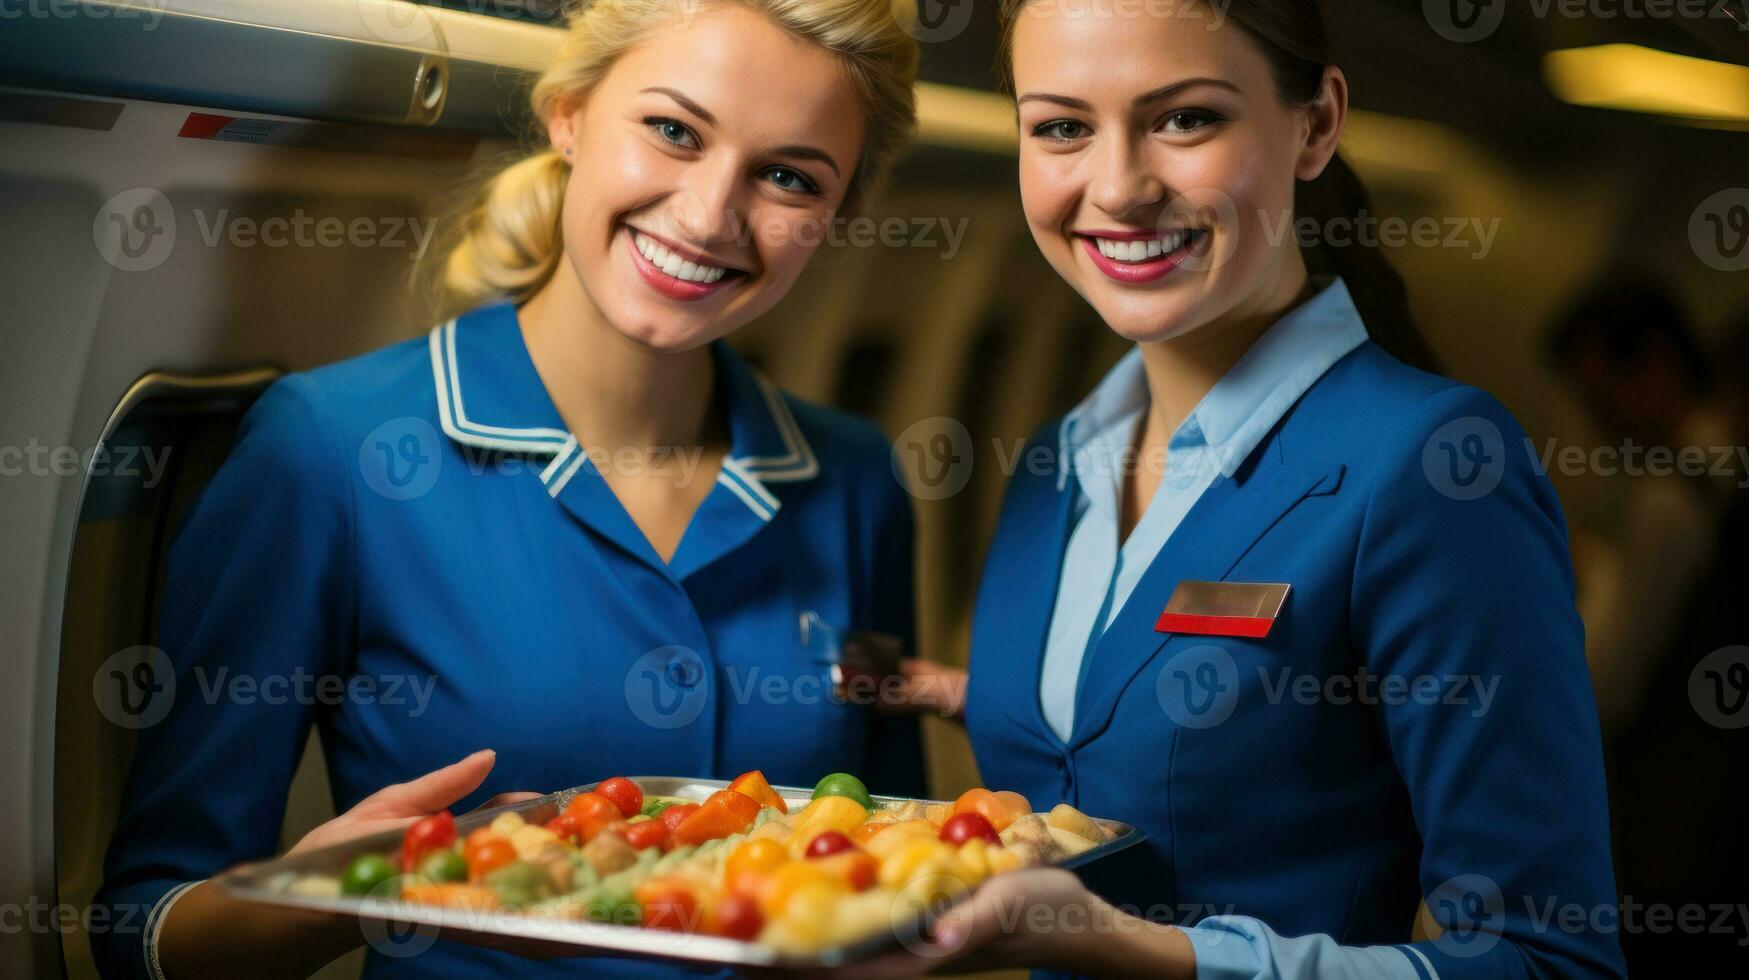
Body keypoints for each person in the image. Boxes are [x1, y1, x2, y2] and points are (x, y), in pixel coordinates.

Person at [91, 0, 924, 976]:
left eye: (787, 176)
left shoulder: (858, 481)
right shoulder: (331, 448)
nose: (709, 215)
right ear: (569, 112)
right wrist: (348, 893)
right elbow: (143, 927)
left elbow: (894, 858)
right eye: (672, 131)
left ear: (835, 219)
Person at [879, 0, 1624, 976]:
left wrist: (1141, 948)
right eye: (1062, 126)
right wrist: (1009, 701)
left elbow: (1549, 956)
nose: (1119, 187)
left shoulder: (1437, 465)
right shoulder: (1054, 466)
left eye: (1184, 118)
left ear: (1315, 125)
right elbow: (1172, 725)